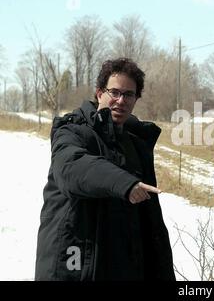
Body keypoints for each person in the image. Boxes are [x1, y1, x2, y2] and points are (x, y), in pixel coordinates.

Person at [35, 58, 175, 281]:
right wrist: (124, 183)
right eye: (114, 92)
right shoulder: (72, 130)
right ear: (100, 93)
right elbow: (71, 168)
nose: (121, 100)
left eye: (129, 94)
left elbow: (150, 223)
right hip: (77, 264)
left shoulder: (135, 144)